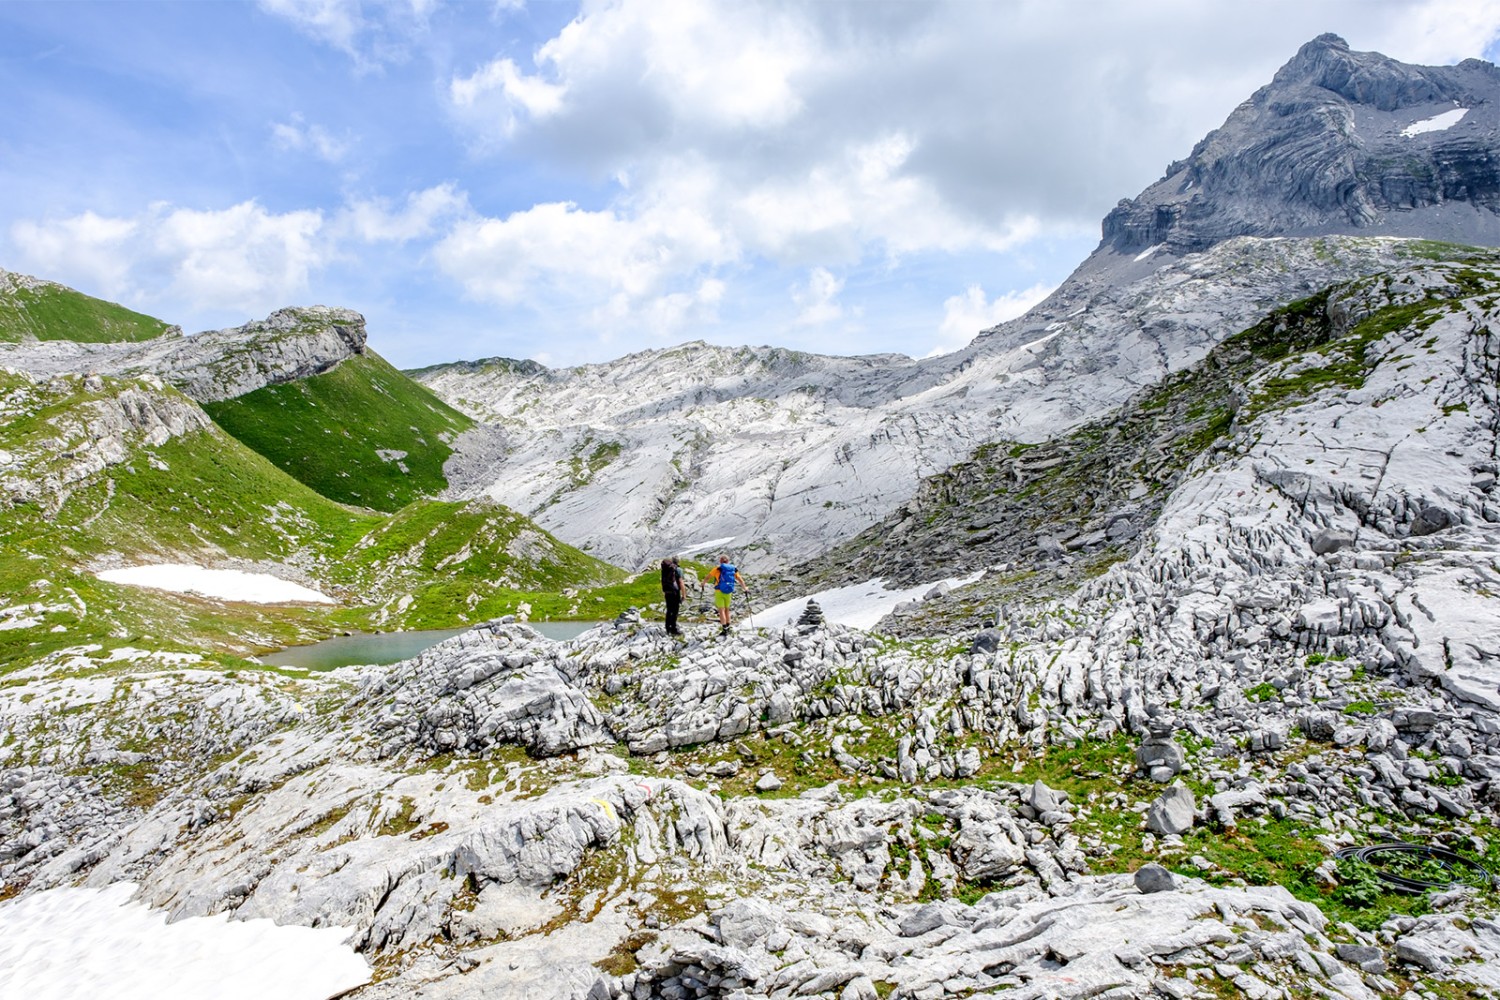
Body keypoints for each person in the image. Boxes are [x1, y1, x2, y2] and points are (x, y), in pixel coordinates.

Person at [707, 555, 747, 634]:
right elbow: (740, 580)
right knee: (727, 610)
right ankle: (729, 626)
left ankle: (724, 629)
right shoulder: (733, 569)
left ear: (721, 561)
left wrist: (703, 584)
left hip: (719, 591)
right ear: (728, 561)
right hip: (729, 592)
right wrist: (745, 588)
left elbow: (708, 577)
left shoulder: (717, 569)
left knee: (721, 610)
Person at [660, 555, 684, 636]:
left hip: (667, 591)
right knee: (675, 610)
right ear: (678, 561)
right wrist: (684, 594)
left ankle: (667, 628)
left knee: (669, 610)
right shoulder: (678, 569)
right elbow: (681, 582)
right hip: (675, 592)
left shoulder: (666, 568)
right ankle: (674, 629)